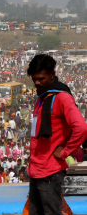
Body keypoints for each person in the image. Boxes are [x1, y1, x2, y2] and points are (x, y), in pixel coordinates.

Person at [27, 54, 87, 214]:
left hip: (51, 172)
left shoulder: (62, 98)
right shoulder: (42, 96)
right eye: (34, 79)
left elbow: (81, 128)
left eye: (41, 78)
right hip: (36, 169)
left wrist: (66, 151)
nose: (37, 82)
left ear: (52, 75)